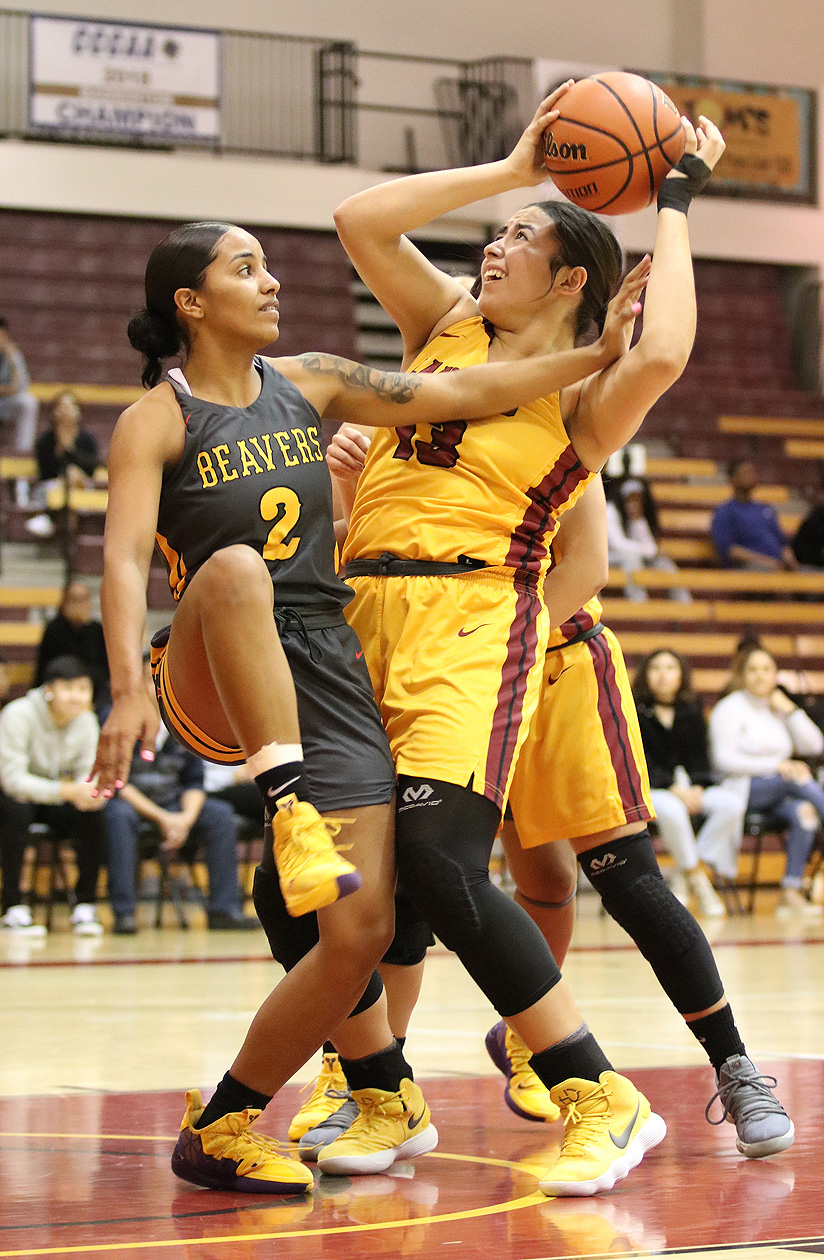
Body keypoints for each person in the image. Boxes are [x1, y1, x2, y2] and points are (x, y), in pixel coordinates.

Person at [93, 218, 636, 1195]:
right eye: (245, 268)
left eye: (268, 267)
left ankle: (232, 1120)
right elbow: (124, 560)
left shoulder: (312, 379)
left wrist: (594, 354)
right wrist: (125, 691)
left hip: (327, 659)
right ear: (190, 302)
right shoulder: (157, 417)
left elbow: (463, 390)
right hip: (214, 662)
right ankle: (288, 801)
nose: (271, 282)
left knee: (356, 926)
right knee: (235, 570)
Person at [330, 87, 725, 1196]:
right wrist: (512, 169)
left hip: (472, 622)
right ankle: (375, 1086)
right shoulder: (444, 323)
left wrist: (679, 202)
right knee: (327, 880)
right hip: (359, 617)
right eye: (498, 232)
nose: (495, 244)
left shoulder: (587, 393)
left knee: (438, 865)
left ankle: (601, 1093)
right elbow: (362, 216)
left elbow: (666, 355)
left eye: (521, 237)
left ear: (569, 282)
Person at [708, 645, 824, 917]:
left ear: (776, 675)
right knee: (796, 778)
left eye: (766, 670)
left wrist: (791, 712)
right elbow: (722, 760)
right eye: (753, 670)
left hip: (778, 793)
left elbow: (815, 745)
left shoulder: (777, 709)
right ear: (741, 675)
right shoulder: (729, 708)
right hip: (739, 789)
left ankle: (790, 891)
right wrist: (776, 766)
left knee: (804, 812)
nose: (760, 676)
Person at [104, 658, 260, 935]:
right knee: (117, 815)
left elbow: (194, 782)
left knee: (219, 814)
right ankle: (124, 913)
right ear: (137, 684)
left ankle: (224, 910)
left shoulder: (182, 722)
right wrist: (164, 818)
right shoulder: (115, 719)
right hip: (133, 804)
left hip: (173, 803)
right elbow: (116, 783)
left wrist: (185, 818)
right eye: (151, 679)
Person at [0, 656, 106, 937]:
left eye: (84, 689)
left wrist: (91, 794)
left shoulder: (87, 721)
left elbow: (89, 774)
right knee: (15, 811)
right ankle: (13, 907)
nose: (77, 697)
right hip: (18, 798)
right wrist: (67, 790)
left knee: (94, 814)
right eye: (69, 689)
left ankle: (85, 905)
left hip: (57, 797)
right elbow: (12, 780)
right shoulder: (18, 714)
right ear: (49, 690)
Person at [632, 648, 740, 910]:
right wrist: (673, 787)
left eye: (670, 668)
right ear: (645, 675)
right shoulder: (634, 710)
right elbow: (640, 761)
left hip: (691, 784)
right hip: (652, 788)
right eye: (655, 668)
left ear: (681, 675)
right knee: (672, 809)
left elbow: (701, 758)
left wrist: (699, 787)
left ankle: (686, 872)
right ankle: (701, 885)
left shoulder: (691, 710)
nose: (663, 675)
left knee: (731, 804)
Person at [26, 391, 102, 540]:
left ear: (78, 412)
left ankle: (49, 519)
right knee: (68, 480)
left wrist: (69, 450)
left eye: (70, 406)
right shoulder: (44, 441)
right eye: (62, 406)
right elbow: (45, 473)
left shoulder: (87, 439)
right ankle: (71, 543)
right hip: (50, 488)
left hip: (83, 488)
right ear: (54, 412)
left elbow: (91, 468)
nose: (66, 411)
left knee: (73, 475)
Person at [605, 477, 691, 602]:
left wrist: (637, 521)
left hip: (638, 556)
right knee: (630, 558)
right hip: (608, 558)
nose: (634, 502)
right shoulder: (611, 511)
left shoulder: (640, 516)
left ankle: (685, 605)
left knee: (664, 563)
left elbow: (649, 546)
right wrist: (648, 551)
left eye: (638, 498)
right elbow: (618, 544)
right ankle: (639, 602)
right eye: (631, 497)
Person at [36, 581, 110, 716]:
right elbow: (44, 669)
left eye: (82, 600)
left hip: (93, 695)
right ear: (64, 601)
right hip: (59, 692)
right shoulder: (53, 630)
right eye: (74, 599)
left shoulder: (97, 630)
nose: (78, 605)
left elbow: (105, 671)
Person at [711, 459, 798, 571]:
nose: (751, 476)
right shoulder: (725, 511)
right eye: (746, 473)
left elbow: (782, 543)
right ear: (733, 479)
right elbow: (728, 549)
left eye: (753, 472)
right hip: (748, 568)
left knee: (811, 574)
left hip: (777, 565)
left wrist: (790, 561)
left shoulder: (765, 508)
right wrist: (766, 562)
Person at [0, 316, 39, 453]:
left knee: (28, 402)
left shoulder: (13, 355)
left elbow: (20, 386)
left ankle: (23, 451)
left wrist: (12, 360)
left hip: (5, 404)